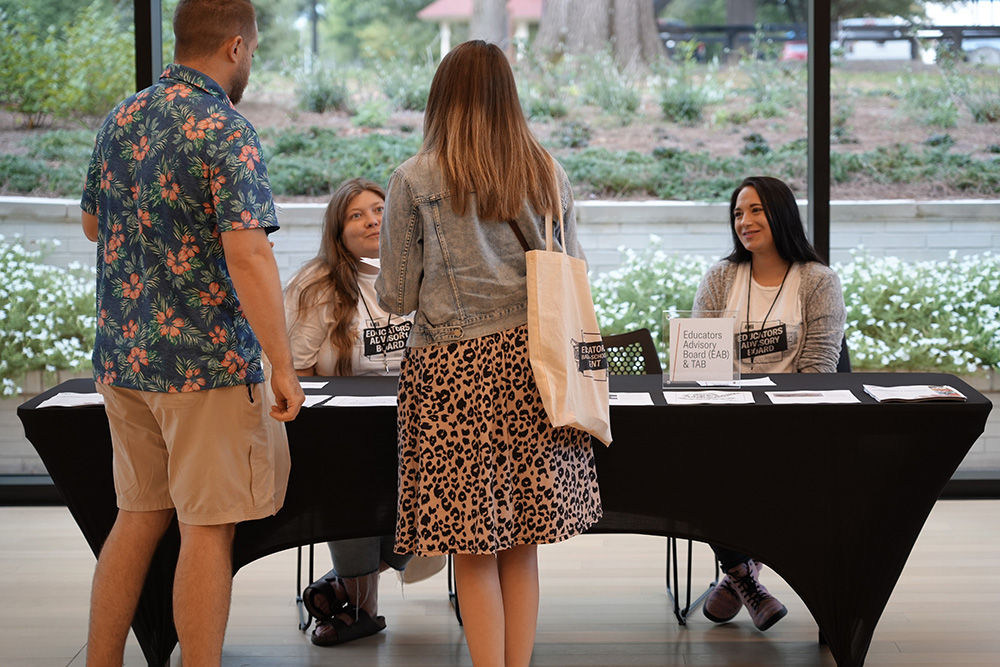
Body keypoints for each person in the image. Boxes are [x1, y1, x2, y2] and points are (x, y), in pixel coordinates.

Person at [79, 1, 305, 665]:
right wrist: (284, 366)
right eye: (253, 53)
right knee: (206, 530)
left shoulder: (121, 118)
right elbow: (248, 253)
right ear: (236, 47)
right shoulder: (224, 127)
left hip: (124, 362)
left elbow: (94, 224)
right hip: (203, 368)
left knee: (138, 515)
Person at [376, 40, 603, 667]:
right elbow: (574, 269)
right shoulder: (545, 171)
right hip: (535, 369)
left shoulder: (413, 179)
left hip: (452, 374)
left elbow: (395, 298)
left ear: (440, 97)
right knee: (522, 543)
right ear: (509, 94)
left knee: (471, 545)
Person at [284, 177, 437, 646]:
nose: (372, 221)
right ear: (339, 233)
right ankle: (362, 609)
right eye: (357, 215)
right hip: (345, 428)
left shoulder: (428, 273)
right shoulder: (319, 284)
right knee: (347, 475)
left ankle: (339, 589)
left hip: (418, 423)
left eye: (379, 210)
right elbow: (294, 366)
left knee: (444, 475)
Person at [692, 175, 846, 631]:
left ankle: (737, 576)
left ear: (781, 214)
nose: (745, 221)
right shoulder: (721, 278)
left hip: (794, 422)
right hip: (727, 418)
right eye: (738, 213)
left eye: (756, 210)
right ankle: (745, 577)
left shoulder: (817, 281)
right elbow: (702, 360)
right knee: (702, 459)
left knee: (749, 466)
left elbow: (819, 370)